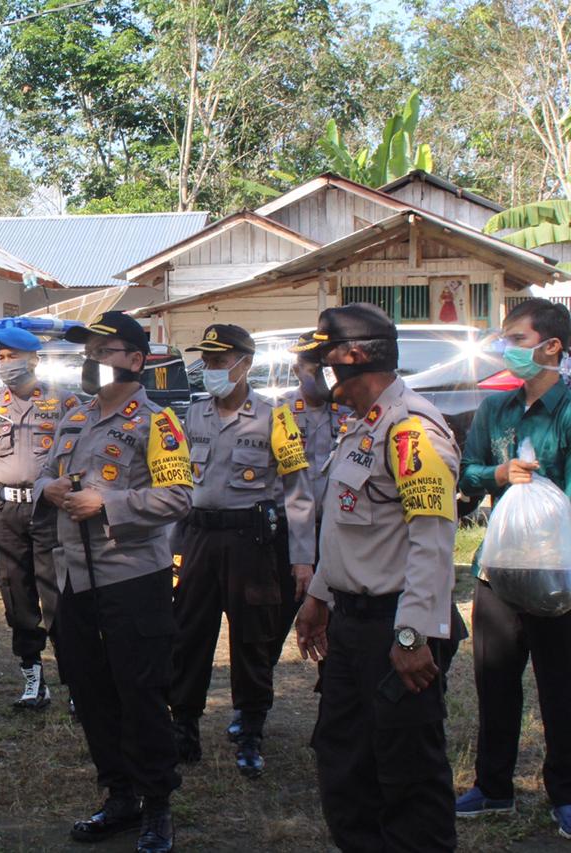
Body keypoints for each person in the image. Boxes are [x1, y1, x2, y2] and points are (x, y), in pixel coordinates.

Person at [295, 303, 458, 853]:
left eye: (320, 356)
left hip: (397, 628)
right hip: (351, 625)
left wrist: (412, 636)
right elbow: (346, 527)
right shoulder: (364, 427)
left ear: (353, 356)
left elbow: (432, 543)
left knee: (406, 771)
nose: (311, 369)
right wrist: (318, 597)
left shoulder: (412, 431)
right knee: (344, 762)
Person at [35, 311, 192, 853]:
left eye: (105, 351)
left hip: (132, 578)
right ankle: (119, 796)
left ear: (136, 360)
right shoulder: (72, 418)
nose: (92, 360)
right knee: (91, 692)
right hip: (74, 580)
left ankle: (157, 805)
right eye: (89, 351)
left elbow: (178, 497)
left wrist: (110, 503)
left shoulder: (158, 424)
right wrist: (49, 488)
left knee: (140, 694)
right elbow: (44, 474)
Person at [170, 324, 314, 779]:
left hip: (252, 542)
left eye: (219, 361)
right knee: (190, 635)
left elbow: (298, 492)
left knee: (252, 639)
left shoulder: (275, 416)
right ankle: (184, 727)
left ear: (244, 363)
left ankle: (250, 729)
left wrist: (302, 557)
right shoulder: (193, 415)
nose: (211, 370)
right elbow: (177, 486)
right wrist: (171, 551)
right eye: (207, 362)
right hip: (199, 539)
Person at [455, 297, 571, 837]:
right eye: (502, 339)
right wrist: (499, 473)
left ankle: (565, 792)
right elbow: (470, 472)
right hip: (497, 570)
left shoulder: (568, 410)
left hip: (559, 573)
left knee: (561, 686)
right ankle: (493, 787)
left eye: (517, 340)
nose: (506, 350)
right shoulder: (495, 410)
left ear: (552, 347)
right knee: (495, 680)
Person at [228, 337, 348, 744]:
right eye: (308, 366)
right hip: (283, 536)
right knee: (266, 628)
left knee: (338, 629)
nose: (315, 374)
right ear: (296, 369)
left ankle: (333, 713)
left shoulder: (354, 412)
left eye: (321, 365)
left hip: (340, 539)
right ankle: (251, 714)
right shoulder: (279, 413)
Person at [0, 324, 75, 710]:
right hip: (6, 511)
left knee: (59, 595)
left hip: (49, 511)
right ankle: (33, 679)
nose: (5, 364)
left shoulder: (63, 403)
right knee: (15, 594)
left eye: (11, 357)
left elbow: (77, 454)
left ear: (33, 359)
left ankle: (76, 681)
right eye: (0, 358)